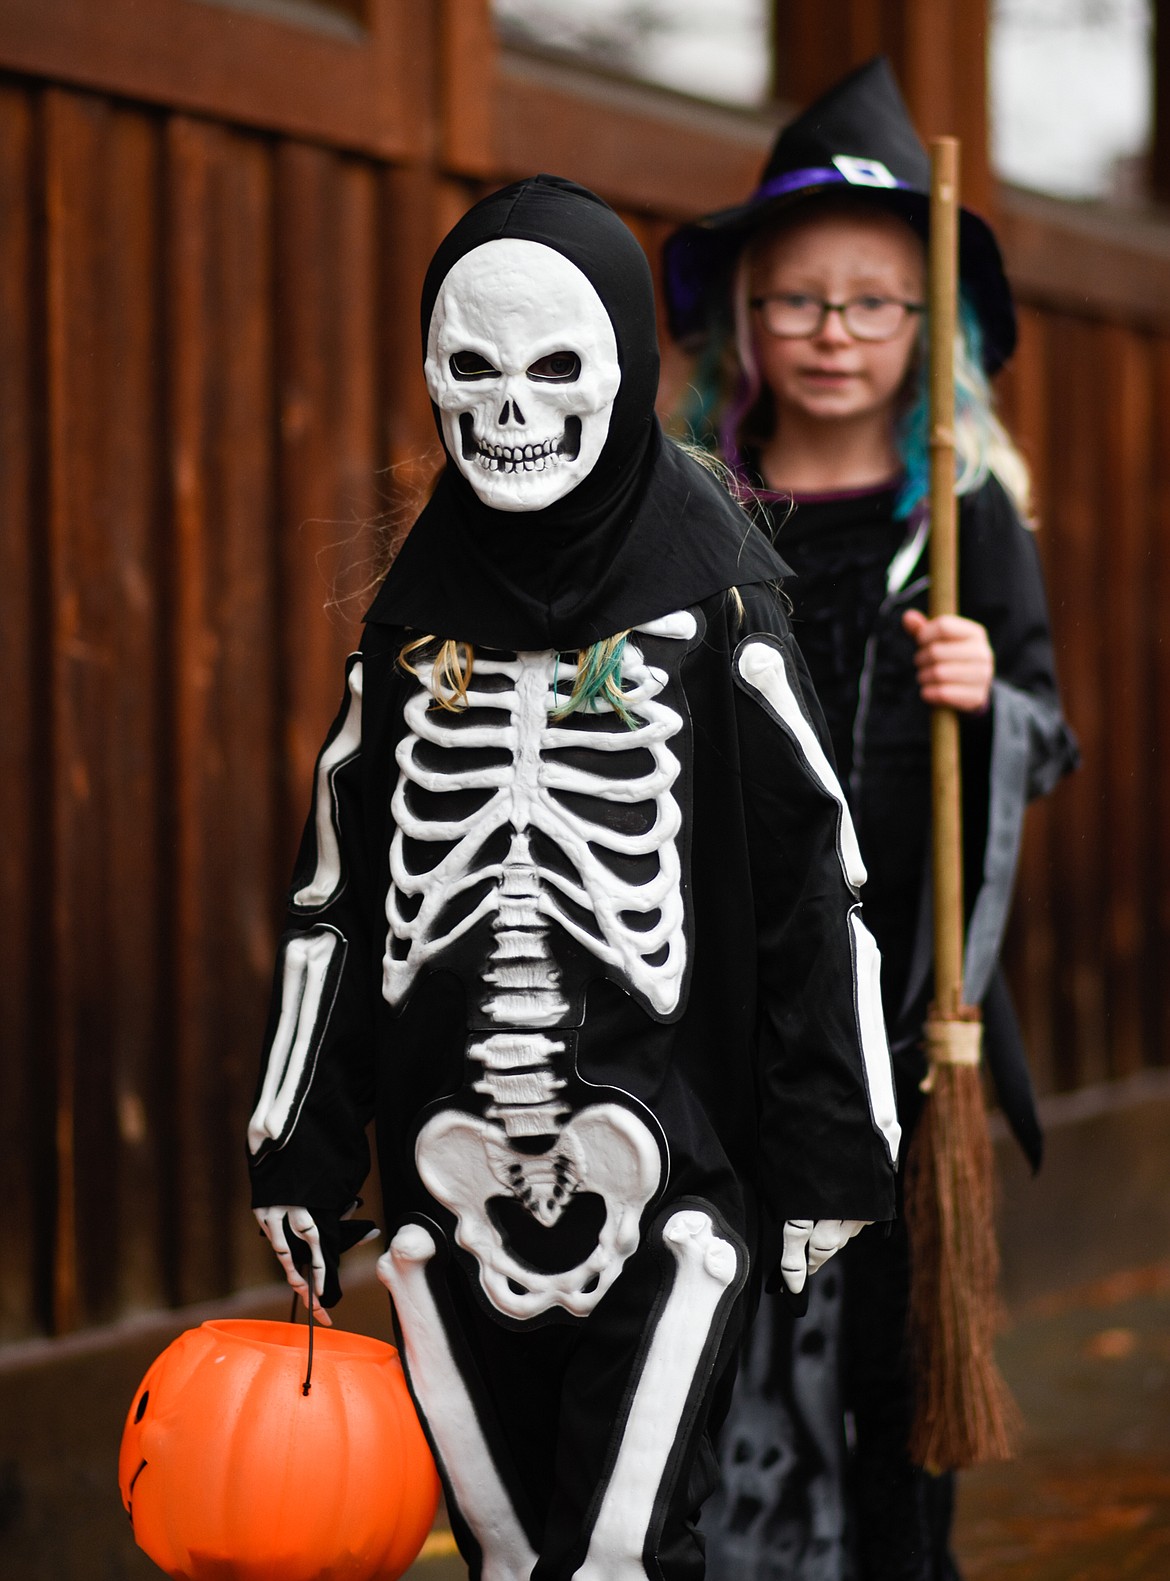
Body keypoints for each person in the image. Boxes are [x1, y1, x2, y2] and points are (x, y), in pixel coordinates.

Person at [246, 174, 900, 1581]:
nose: (510, 412)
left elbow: (813, 887)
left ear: (621, 368)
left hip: (670, 1177)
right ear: (430, 378)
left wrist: (833, 1144)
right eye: (470, 372)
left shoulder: (715, 599)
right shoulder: (414, 624)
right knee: (500, 1551)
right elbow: (341, 890)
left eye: (553, 370)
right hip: (438, 1183)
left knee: (616, 1553)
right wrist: (296, 1137)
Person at [663, 57, 1079, 1581]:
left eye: (872, 305)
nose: (833, 336)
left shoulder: (961, 520)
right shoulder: (696, 506)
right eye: (796, 302)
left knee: (893, 1365)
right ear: (740, 321)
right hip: (726, 999)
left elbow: (1052, 734)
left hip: (905, 1018)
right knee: (722, 1322)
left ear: (929, 331)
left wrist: (991, 695)